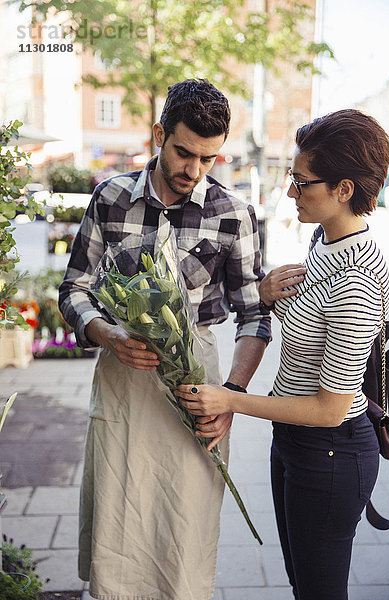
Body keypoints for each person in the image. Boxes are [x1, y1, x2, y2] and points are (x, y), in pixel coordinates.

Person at [58, 79, 271, 600]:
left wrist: (229, 397)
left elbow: (254, 316)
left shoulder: (233, 214)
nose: (193, 170)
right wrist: (106, 333)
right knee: (119, 518)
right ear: (159, 135)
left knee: (184, 528)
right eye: (183, 152)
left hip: (196, 386)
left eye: (208, 158)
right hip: (122, 378)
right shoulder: (110, 197)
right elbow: (74, 289)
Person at [176, 109, 389, 600]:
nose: (291, 192)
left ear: (344, 190)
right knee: (303, 584)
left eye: (302, 182)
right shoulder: (324, 241)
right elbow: (309, 320)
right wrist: (268, 293)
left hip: (330, 451)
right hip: (296, 443)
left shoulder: (354, 282)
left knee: (318, 592)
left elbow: (330, 406)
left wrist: (229, 399)